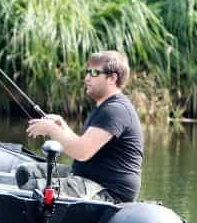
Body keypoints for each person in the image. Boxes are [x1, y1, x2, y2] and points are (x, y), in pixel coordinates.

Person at [25, 50, 144, 203]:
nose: (87, 78)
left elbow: (82, 152)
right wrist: (62, 126)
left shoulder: (115, 110)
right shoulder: (104, 107)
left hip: (107, 191)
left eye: (94, 72)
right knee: (26, 173)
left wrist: (50, 129)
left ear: (112, 78)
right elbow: (84, 144)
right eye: (87, 72)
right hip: (89, 179)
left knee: (34, 187)